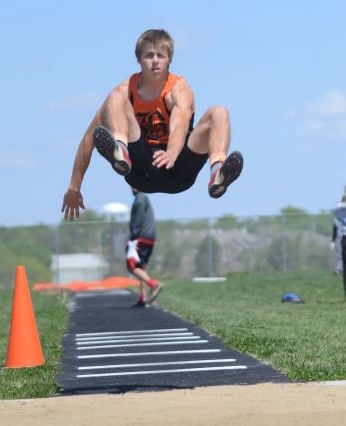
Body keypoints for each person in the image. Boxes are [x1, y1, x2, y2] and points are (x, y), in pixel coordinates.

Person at [61, 28, 243, 222]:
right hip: (141, 169)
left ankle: (218, 174)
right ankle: (119, 152)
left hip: (179, 168)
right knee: (114, 99)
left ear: (169, 60)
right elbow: (89, 138)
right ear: (139, 60)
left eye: (160, 56)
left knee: (219, 112)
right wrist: (74, 187)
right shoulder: (125, 90)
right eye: (149, 55)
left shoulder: (178, 88)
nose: (155, 61)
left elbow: (180, 123)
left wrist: (171, 154)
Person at [126, 187, 162, 306]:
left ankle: (153, 284)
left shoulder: (140, 200)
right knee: (141, 266)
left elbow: (138, 222)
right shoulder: (144, 198)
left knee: (131, 265)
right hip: (150, 237)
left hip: (141, 237)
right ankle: (143, 296)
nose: (131, 187)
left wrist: (132, 238)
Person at [331, 194, 346, 300]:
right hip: (343, 237)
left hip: (344, 238)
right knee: (342, 260)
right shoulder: (340, 209)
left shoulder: (339, 209)